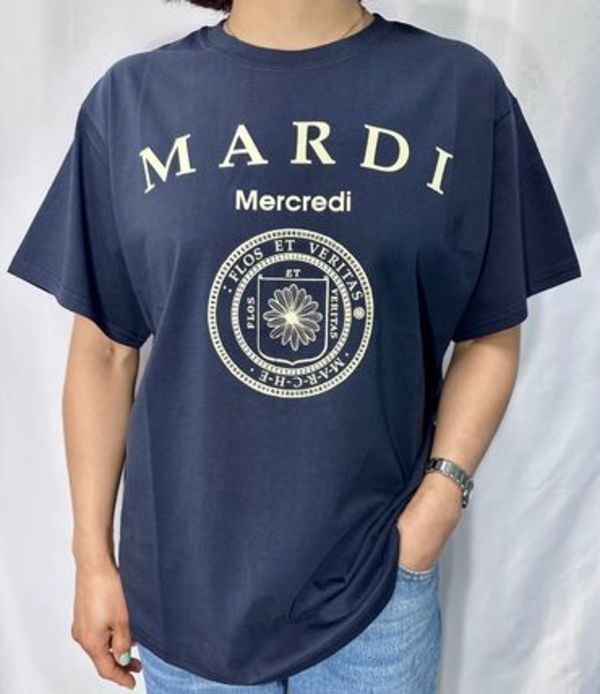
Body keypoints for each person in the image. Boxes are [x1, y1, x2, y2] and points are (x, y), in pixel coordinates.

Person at [6, 0, 582, 692]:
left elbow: (491, 324)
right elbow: (103, 349)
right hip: (184, 593)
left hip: (375, 588)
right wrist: (92, 559)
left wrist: (438, 504)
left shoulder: (458, 90)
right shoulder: (133, 100)